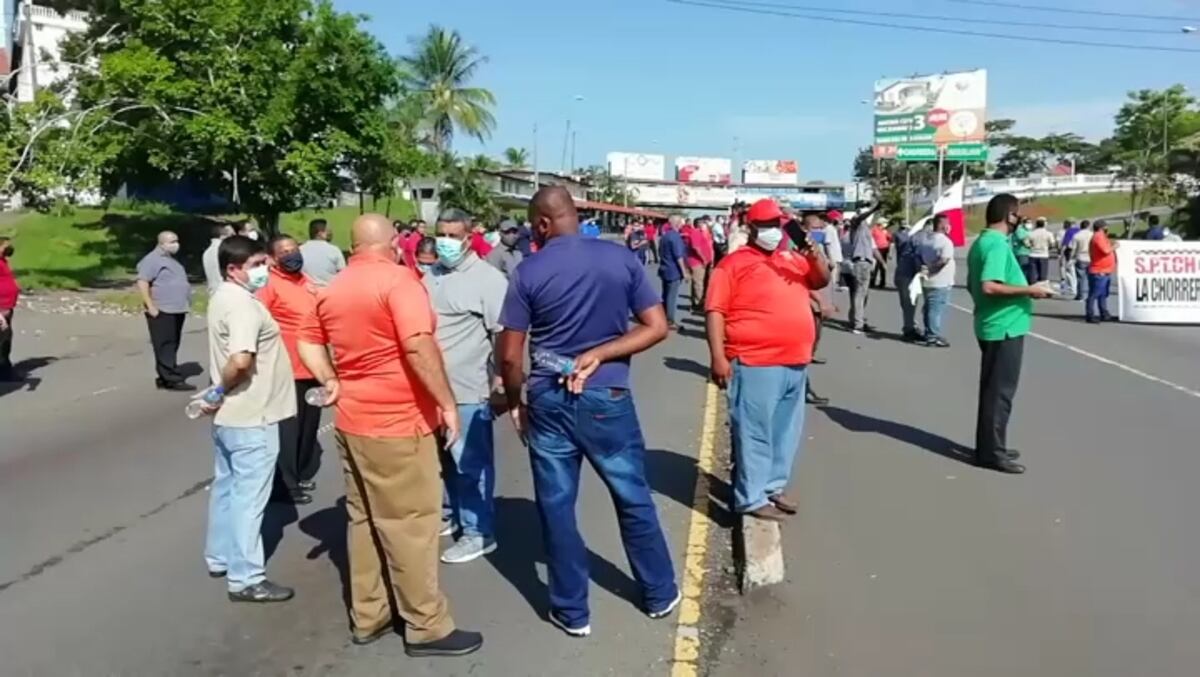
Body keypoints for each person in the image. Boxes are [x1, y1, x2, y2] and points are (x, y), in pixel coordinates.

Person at [497, 186, 679, 637]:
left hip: (548, 398)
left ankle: (572, 610)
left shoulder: (528, 271)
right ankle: (658, 592)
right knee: (632, 495)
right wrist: (603, 352)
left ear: (542, 223)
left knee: (557, 506)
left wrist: (516, 403)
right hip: (607, 396)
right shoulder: (620, 259)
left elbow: (510, 356)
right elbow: (657, 327)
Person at [296, 214, 481, 656]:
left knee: (363, 520)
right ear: (394, 241)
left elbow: (306, 339)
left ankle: (371, 613)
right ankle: (425, 625)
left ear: (353, 245)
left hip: (352, 421)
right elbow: (417, 344)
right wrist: (447, 403)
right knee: (411, 525)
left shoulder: (333, 287)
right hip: (398, 423)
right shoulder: (399, 281)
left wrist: (330, 378)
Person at [705, 198, 830, 521]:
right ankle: (750, 497)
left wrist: (814, 255)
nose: (773, 231)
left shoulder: (792, 259)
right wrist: (718, 357)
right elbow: (715, 311)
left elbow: (821, 281)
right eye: (767, 225)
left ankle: (773, 486)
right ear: (752, 228)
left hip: (795, 360)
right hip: (754, 360)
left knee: (785, 432)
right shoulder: (732, 264)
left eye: (777, 225)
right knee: (754, 432)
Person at [203, 234, 297, 603]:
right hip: (254, 412)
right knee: (249, 498)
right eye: (256, 265)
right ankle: (245, 577)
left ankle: (220, 556)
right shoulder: (242, 305)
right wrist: (219, 389)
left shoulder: (222, 297)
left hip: (231, 415)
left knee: (227, 488)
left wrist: (217, 395)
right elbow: (241, 360)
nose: (264, 270)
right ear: (233, 269)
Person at [426, 208, 508, 564]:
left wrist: (502, 382)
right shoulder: (429, 275)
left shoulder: (488, 280)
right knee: (442, 461)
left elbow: (504, 336)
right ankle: (452, 514)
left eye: (453, 236)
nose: (445, 242)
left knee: (470, 463)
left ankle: (478, 532)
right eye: (441, 235)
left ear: (469, 237)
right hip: (431, 390)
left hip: (467, 390)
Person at [967, 194, 1053, 475]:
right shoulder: (996, 245)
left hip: (994, 323)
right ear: (1009, 216)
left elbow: (975, 286)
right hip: (1003, 327)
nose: (1020, 219)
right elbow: (989, 285)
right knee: (999, 393)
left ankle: (991, 445)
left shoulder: (984, 242)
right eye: (1017, 214)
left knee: (993, 390)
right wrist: (1030, 290)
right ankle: (992, 453)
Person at [257, 235, 322, 506]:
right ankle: (285, 484)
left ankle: (302, 471)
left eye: (294, 249)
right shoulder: (269, 285)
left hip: (313, 366)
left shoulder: (307, 281)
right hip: (286, 369)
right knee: (288, 430)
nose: (291, 255)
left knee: (309, 427)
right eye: (284, 252)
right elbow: (259, 323)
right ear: (273, 258)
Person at [136, 231, 193, 391]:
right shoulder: (152, 260)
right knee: (164, 344)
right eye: (171, 242)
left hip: (177, 308)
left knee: (172, 342)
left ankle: (164, 376)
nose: (176, 244)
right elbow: (143, 282)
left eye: (176, 241)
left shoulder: (171, 260)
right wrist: (150, 306)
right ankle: (171, 378)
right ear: (161, 243)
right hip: (162, 309)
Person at [846, 207, 884, 335]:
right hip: (861, 262)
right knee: (860, 294)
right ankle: (858, 324)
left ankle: (856, 320)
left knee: (862, 294)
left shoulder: (866, 230)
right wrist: (874, 209)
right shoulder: (857, 225)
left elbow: (873, 248)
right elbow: (860, 218)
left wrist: (882, 263)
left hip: (866, 263)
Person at [920, 214, 956, 348]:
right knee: (935, 310)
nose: (949, 226)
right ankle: (933, 337)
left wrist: (926, 269)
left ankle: (928, 332)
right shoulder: (945, 242)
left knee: (929, 308)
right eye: (947, 223)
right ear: (942, 225)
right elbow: (943, 260)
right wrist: (931, 268)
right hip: (940, 281)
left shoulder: (927, 240)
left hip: (928, 280)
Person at [892, 221, 924, 341]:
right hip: (908, 276)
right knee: (910, 304)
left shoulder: (908, 242)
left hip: (901, 274)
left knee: (906, 304)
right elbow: (917, 260)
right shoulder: (917, 242)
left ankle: (910, 326)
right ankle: (909, 329)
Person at [657, 216, 688, 330]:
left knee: (665, 295)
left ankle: (663, 316)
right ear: (677, 223)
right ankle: (670, 320)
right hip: (673, 270)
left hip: (665, 268)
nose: (682, 225)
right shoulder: (675, 237)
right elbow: (678, 256)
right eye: (680, 222)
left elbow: (660, 252)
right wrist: (684, 272)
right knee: (672, 297)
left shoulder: (665, 236)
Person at [1086, 220, 1117, 324]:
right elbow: (1105, 250)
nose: (1107, 229)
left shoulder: (1102, 237)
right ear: (1101, 228)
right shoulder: (1098, 236)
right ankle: (1090, 314)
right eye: (1106, 227)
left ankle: (1104, 313)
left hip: (1104, 270)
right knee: (1094, 294)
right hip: (1099, 271)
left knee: (1102, 294)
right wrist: (1114, 246)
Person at [300, 219, 347, 286]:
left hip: (307, 289)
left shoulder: (300, 250)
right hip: (329, 289)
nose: (330, 233)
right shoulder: (334, 250)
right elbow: (343, 273)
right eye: (328, 231)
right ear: (320, 233)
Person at [682, 217, 715, 314]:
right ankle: (698, 304)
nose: (704, 224)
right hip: (697, 262)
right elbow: (696, 247)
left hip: (702, 261)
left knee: (699, 283)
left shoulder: (702, 233)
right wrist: (704, 259)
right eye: (702, 222)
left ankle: (696, 303)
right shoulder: (695, 232)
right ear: (697, 224)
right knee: (698, 284)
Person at [0, 236, 19, 381]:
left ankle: (5, 368)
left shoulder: (3, 261)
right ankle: (4, 369)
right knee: (3, 338)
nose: (8, 249)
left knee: (6, 337)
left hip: (7, 305)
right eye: (5, 246)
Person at [203, 223, 236, 294]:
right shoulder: (224, 250)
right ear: (222, 236)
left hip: (213, 291)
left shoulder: (207, 252)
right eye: (231, 235)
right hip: (226, 290)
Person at [1027, 218, 1055, 284]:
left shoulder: (1031, 233)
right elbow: (1052, 244)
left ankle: (1033, 287)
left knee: (1033, 274)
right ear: (1044, 224)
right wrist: (1048, 248)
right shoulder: (1048, 233)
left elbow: (1026, 243)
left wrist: (1031, 247)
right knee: (1043, 275)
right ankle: (1041, 287)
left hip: (1033, 254)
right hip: (1043, 255)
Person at [1070, 219, 1093, 301]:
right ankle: (1090, 295)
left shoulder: (1077, 236)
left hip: (1080, 257)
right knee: (1091, 278)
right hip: (1091, 257)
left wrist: (1072, 257)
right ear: (1089, 226)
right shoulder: (1092, 235)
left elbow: (1073, 248)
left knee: (1080, 278)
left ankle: (1080, 294)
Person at [1059, 220, 1080, 297]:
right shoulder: (1079, 230)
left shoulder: (1069, 231)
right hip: (1080, 253)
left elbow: (1065, 243)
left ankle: (1073, 288)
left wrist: (1061, 254)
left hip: (1070, 252)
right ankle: (1078, 288)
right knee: (1079, 272)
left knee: (1070, 271)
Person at [870, 218, 892, 288]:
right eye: (884, 223)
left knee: (883, 267)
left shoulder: (885, 230)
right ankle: (872, 282)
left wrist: (887, 233)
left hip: (884, 250)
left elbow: (890, 238)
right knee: (875, 267)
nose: (885, 224)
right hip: (877, 250)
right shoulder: (874, 230)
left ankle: (882, 282)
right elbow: (870, 238)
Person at [1012, 218, 1034, 284]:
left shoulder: (1029, 230)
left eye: (1030, 222)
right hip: (1021, 252)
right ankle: (1022, 283)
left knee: (1028, 269)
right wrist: (1031, 245)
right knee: (1023, 269)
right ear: (1023, 223)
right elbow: (1024, 240)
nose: (1029, 224)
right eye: (1028, 222)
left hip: (1028, 252)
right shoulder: (1020, 230)